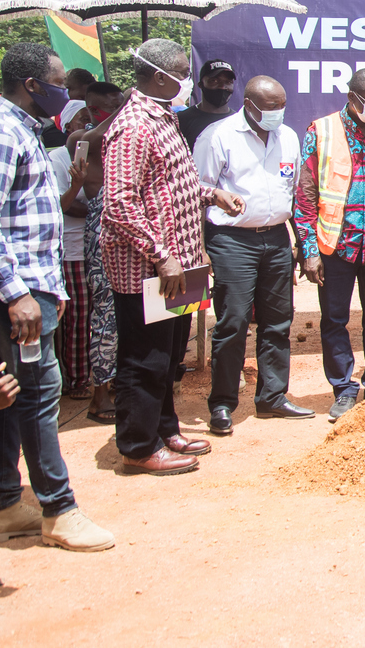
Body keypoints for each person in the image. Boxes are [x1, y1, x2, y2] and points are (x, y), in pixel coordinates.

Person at [0, 42, 113, 550]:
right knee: (41, 393)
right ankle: (58, 510)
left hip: (29, 286)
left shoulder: (22, 130)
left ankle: (2, 504)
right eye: (59, 84)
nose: (66, 94)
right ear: (31, 85)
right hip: (12, 293)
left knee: (7, 397)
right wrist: (18, 294)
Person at [102, 39, 244, 474]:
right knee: (144, 357)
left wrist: (211, 194)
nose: (187, 80)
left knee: (169, 354)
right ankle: (138, 445)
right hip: (151, 268)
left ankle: (165, 428)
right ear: (159, 76)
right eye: (183, 73)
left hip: (183, 262)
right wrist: (161, 255)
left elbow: (172, 183)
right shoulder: (132, 126)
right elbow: (119, 203)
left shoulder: (165, 118)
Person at [194, 75, 312, 436]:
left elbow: (294, 191)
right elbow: (196, 189)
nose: (278, 113)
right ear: (249, 105)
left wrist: (298, 242)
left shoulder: (287, 136)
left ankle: (272, 397)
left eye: (282, 106)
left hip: (276, 238)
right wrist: (200, 247)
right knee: (233, 322)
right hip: (232, 240)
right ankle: (222, 403)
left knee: (278, 321)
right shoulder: (218, 136)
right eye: (271, 107)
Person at [296, 68, 365, 420]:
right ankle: (343, 389)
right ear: (352, 98)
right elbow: (305, 196)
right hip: (335, 245)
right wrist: (309, 251)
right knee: (334, 320)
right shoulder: (321, 131)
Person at [78, 120, 118, 425]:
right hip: (106, 245)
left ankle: (123, 385)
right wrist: (127, 106)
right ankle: (99, 394)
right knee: (106, 320)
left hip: (141, 249)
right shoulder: (86, 142)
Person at [48, 135, 91, 400]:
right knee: (77, 317)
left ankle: (93, 373)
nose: (87, 125)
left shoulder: (97, 155)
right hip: (71, 249)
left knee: (95, 316)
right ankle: (76, 379)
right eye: (80, 119)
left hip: (95, 245)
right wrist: (97, 207)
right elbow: (63, 206)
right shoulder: (56, 160)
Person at [178, 59, 236, 151]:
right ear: (201, 84)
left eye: (228, 82)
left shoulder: (239, 122)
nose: (222, 86)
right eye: (214, 81)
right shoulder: (181, 120)